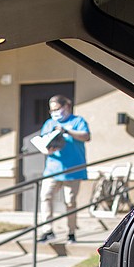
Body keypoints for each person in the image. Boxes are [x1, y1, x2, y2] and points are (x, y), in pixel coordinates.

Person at [37, 94, 90, 243]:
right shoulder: (49, 123)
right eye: (51, 110)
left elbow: (86, 136)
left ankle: (71, 232)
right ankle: (47, 231)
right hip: (52, 169)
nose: (54, 112)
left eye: (57, 108)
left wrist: (66, 131)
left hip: (73, 170)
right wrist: (47, 149)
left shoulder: (77, 121)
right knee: (45, 197)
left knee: (70, 202)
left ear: (66, 106)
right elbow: (43, 141)